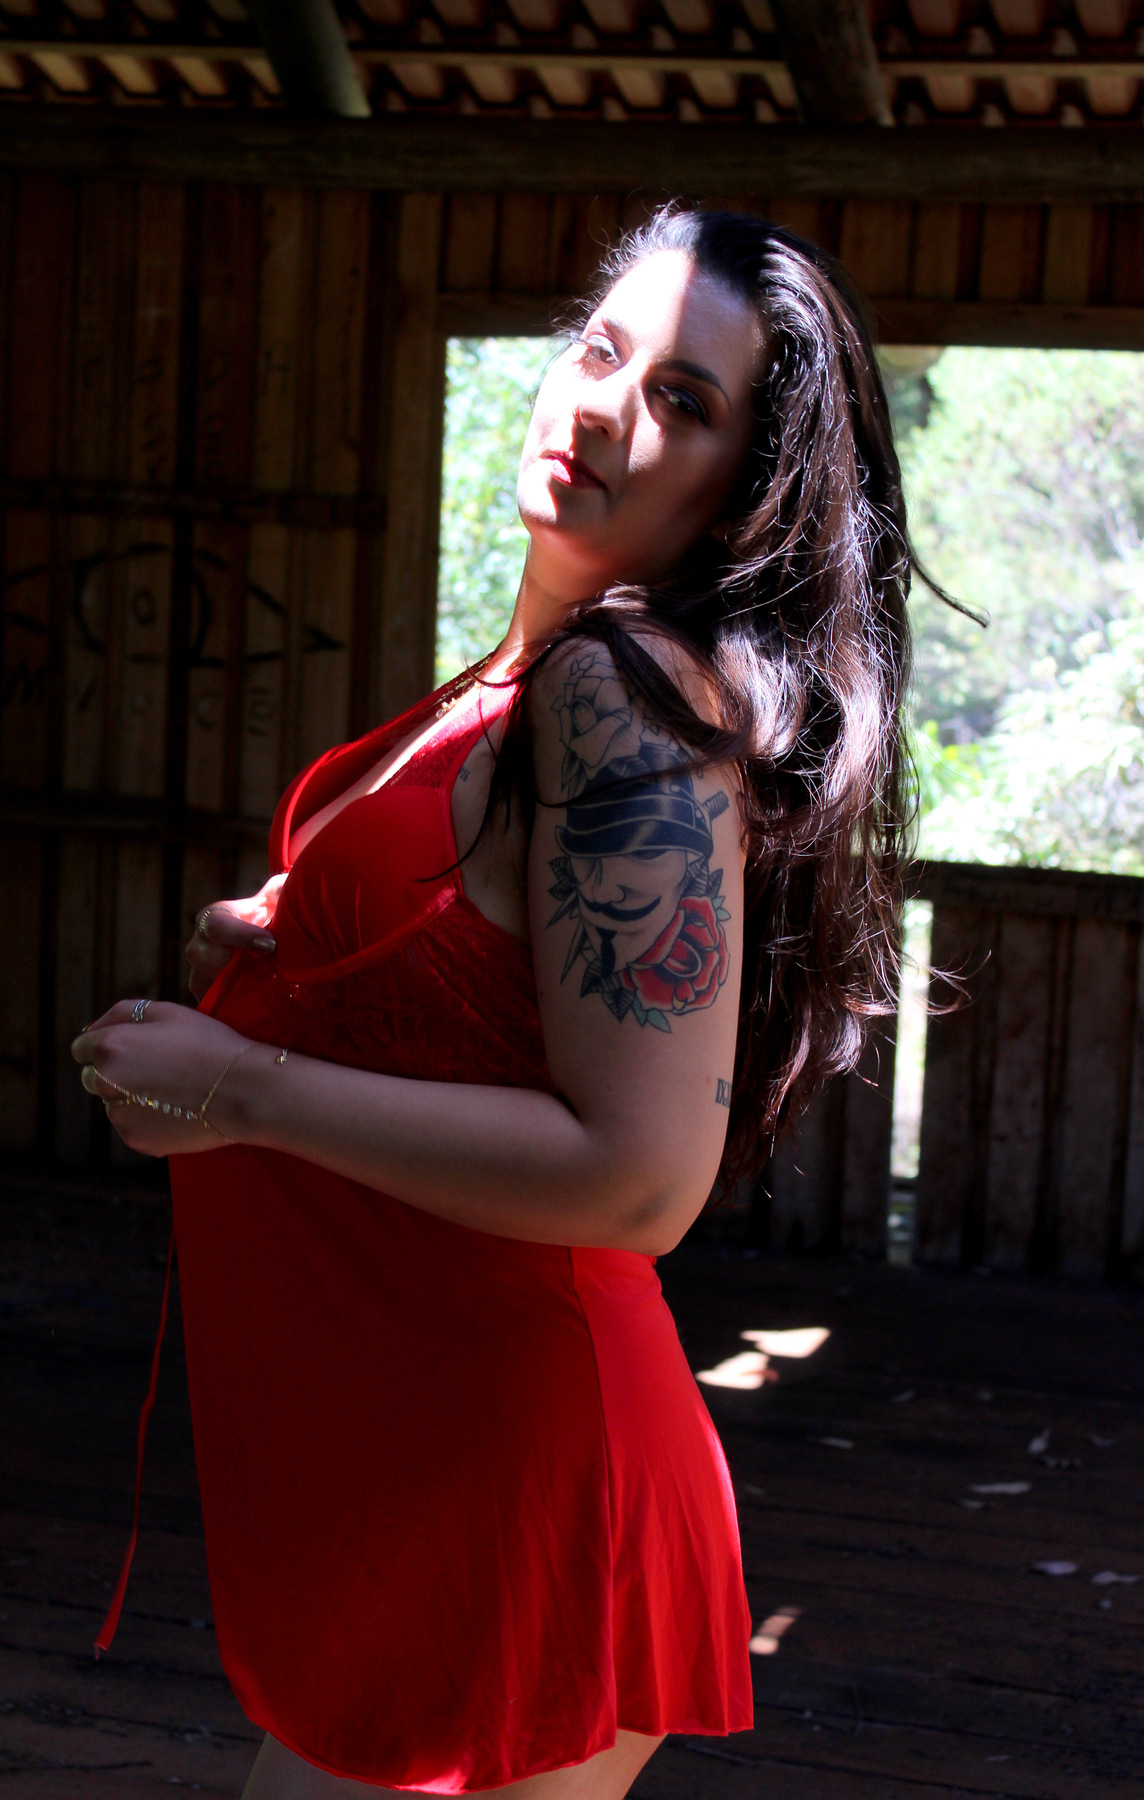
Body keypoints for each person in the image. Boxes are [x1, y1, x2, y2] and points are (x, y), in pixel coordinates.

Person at [72, 208, 915, 1799]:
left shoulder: (620, 699)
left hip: (519, 1473)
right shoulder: (518, 687)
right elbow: (483, 992)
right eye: (601, 350)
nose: (604, 406)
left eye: (682, 400)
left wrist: (243, 1089)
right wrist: (284, 978)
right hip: (416, 1459)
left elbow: (640, 1176)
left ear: (749, 489)